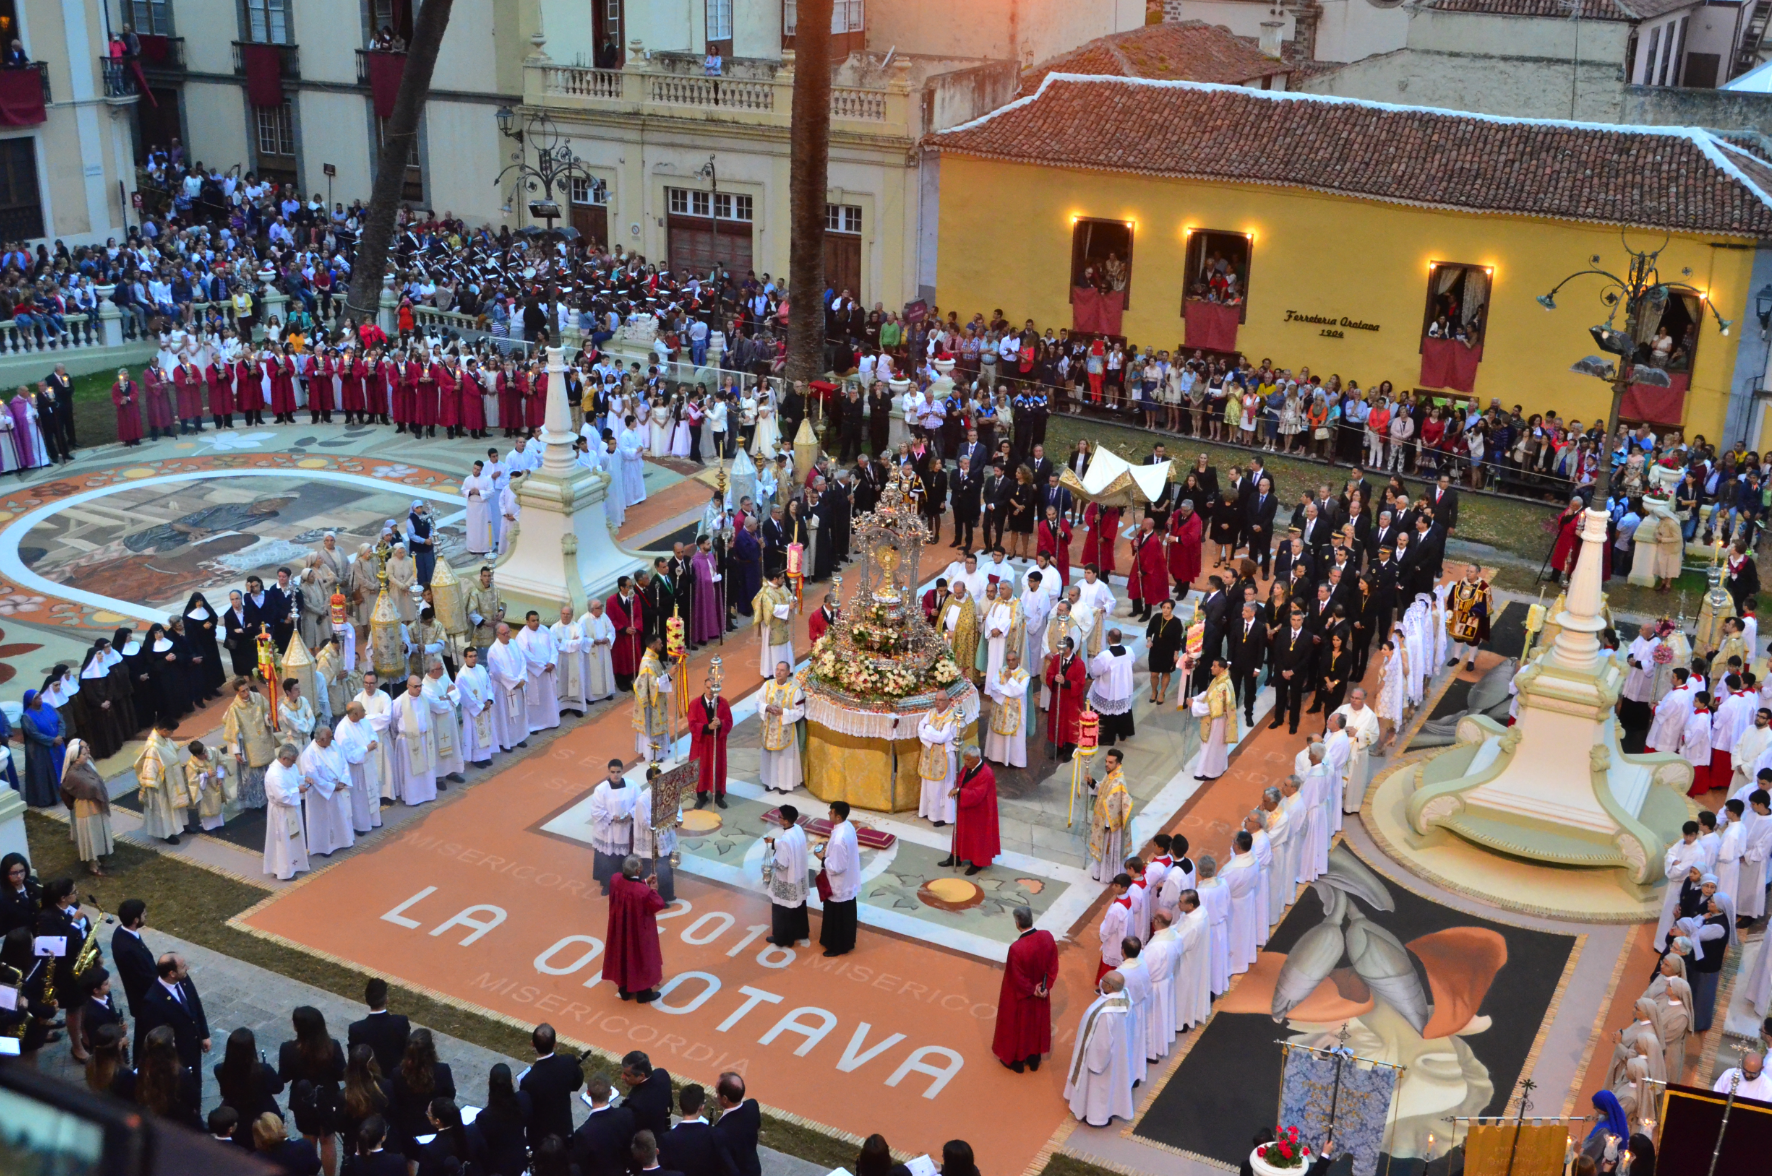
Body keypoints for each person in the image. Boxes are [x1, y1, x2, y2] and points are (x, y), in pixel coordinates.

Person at [1063, 971, 1134, 1127]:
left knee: (1098, 1088)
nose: (1101, 982)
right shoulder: (1124, 996)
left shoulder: (1106, 1013)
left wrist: (1096, 1063)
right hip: (1118, 1052)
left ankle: (1096, 1117)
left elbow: (1102, 1043)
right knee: (1112, 1083)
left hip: (1102, 1058)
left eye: (1104, 980)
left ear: (1109, 986)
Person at [993, 905, 1058, 1073]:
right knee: (1037, 1023)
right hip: (1042, 991)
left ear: (1017, 923)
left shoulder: (1016, 948)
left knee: (1018, 1026)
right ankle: (1034, 1059)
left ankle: (1017, 1061)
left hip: (1022, 996)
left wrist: (1031, 989)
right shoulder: (1047, 937)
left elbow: (1017, 977)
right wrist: (1045, 987)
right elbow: (1052, 965)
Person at [135, 952, 210, 1073]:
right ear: (172, 974)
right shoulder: (153, 1001)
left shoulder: (184, 979)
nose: (187, 968)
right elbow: (159, 1037)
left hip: (193, 1049)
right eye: (183, 966)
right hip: (177, 1058)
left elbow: (195, 1005)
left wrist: (204, 1035)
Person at [604, 856, 666, 1001]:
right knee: (641, 957)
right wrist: (654, 890)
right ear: (638, 870)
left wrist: (645, 882)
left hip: (621, 928)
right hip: (638, 931)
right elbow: (658, 904)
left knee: (623, 954)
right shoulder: (643, 892)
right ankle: (644, 993)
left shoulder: (615, 879)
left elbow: (629, 886)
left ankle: (624, 989)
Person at [519, 1022, 584, 1151]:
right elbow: (577, 1083)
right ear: (555, 1043)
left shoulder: (528, 1080)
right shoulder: (569, 1062)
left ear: (532, 1044)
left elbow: (526, 1112)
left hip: (540, 1139)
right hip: (564, 1131)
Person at [60, 739, 114, 875]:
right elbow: (91, 786)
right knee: (90, 837)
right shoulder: (73, 775)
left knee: (97, 833)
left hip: (94, 806)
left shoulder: (86, 767)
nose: (87, 756)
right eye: (84, 754)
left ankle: (98, 860)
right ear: (75, 758)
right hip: (86, 809)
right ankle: (93, 864)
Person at [944, 745, 1000, 874]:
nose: (965, 763)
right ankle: (956, 857)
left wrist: (959, 791)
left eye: (969, 760)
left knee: (977, 838)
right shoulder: (967, 768)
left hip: (980, 811)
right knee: (961, 832)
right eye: (965, 760)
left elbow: (978, 793)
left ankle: (977, 863)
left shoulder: (986, 773)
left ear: (977, 758)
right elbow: (961, 781)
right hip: (965, 808)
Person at [571, 1072, 638, 1176]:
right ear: (610, 1092)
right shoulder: (626, 1115)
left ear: (588, 1093)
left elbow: (581, 1165)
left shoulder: (583, 1133)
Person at [765, 804, 811, 946]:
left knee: (782, 910)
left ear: (785, 821)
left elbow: (782, 864)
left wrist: (771, 863)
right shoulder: (798, 829)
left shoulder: (785, 840)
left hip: (786, 879)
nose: (778, 819)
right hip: (798, 877)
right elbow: (791, 846)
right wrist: (774, 842)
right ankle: (800, 932)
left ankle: (783, 938)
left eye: (780, 817)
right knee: (798, 907)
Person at [347, 977, 411, 1079]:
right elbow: (407, 1052)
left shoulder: (356, 1030)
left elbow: (353, 1061)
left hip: (369, 1083)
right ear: (386, 1000)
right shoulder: (401, 1022)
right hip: (396, 1081)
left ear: (367, 1000)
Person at [758, 660, 805, 792]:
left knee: (784, 758)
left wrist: (783, 712)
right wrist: (766, 707)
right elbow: (758, 701)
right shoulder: (768, 685)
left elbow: (800, 711)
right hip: (770, 727)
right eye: (777, 669)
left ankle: (784, 785)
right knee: (770, 757)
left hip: (785, 728)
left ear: (788, 672)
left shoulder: (795, 689)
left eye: (782, 670)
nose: (778, 672)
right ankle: (769, 782)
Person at [917, 692, 962, 825]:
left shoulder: (952, 717)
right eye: (936, 700)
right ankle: (927, 812)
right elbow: (920, 729)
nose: (937, 703)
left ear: (948, 701)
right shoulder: (931, 713)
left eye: (941, 700)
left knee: (942, 788)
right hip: (929, 754)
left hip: (945, 757)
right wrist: (932, 740)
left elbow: (942, 738)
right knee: (928, 786)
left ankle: (943, 817)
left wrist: (928, 730)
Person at [688, 676, 733, 807]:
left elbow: (729, 722)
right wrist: (707, 727)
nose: (710, 691)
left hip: (717, 744)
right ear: (704, 687)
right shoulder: (695, 704)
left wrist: (720, 724)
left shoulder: (723, 703)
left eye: (713, 688)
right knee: (701, 769)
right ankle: (701, 796)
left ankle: (719, 795)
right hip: (701, 744)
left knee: (718, 768)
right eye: (708, 688)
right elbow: (692, 724)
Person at [1088, 750, 1132, 882]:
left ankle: (1110, 875)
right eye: (1106, 761)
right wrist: (1092, 782)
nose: (1107, 764)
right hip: (1103, 822)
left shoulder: (1118, 782)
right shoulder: (1111, 776)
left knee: (1109, 851)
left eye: (1110, 762)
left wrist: (1107, 825)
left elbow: (1113, 806)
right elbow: (1102, 789)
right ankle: (1099, 874)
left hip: (1111, 826)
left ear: (1118, 763)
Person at [712, 1073, 761, 1176]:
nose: (716, 1095)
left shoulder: (722, 1131)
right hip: (753, 1168)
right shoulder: (753, 1106)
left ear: (725, 1099)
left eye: (717, 1092)